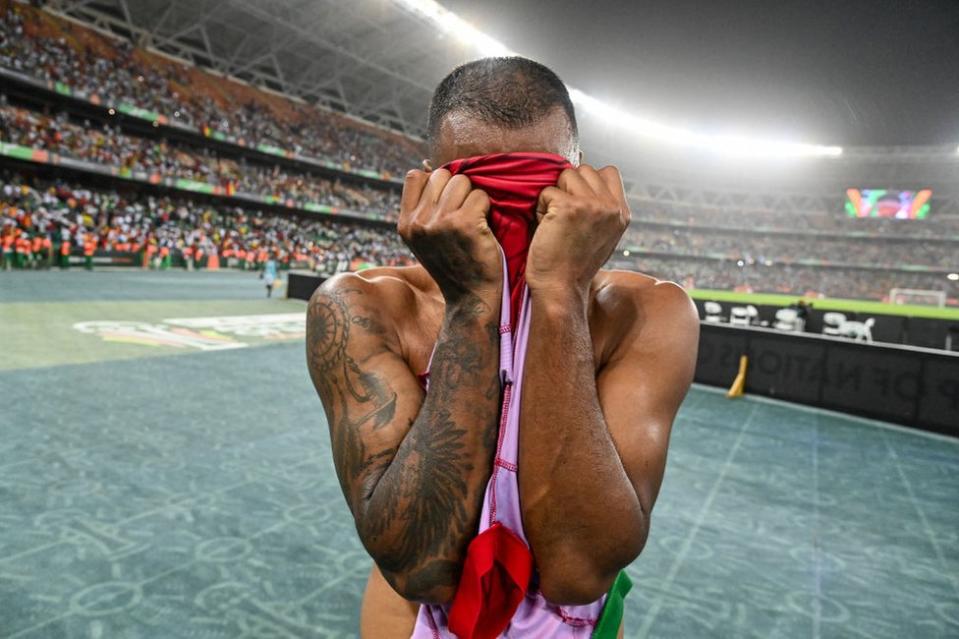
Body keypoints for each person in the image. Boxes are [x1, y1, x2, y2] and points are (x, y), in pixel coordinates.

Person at [306, 57, 699, 638]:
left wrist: (560, 295)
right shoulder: (362, 306)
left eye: (533, 190)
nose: (508, 216)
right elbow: (418, 568)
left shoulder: (649, 313)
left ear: (582, 186)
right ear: (428, 192)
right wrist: (471, 306)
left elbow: (578, 569)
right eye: (481, 194)